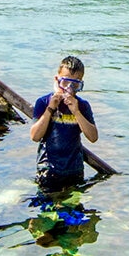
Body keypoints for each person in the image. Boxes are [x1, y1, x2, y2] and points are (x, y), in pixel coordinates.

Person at [29, 56, 98, 189]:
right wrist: (50, 108)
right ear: (57, 80)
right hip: (48, 169)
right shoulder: (43, 102)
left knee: (73, 207)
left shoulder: (82, 106)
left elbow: (93, 137)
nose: (69, 89)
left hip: (74, 170)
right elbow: (35, 136)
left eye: (75, 85)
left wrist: (76, 112)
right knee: (48, 208)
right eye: (65, 83)